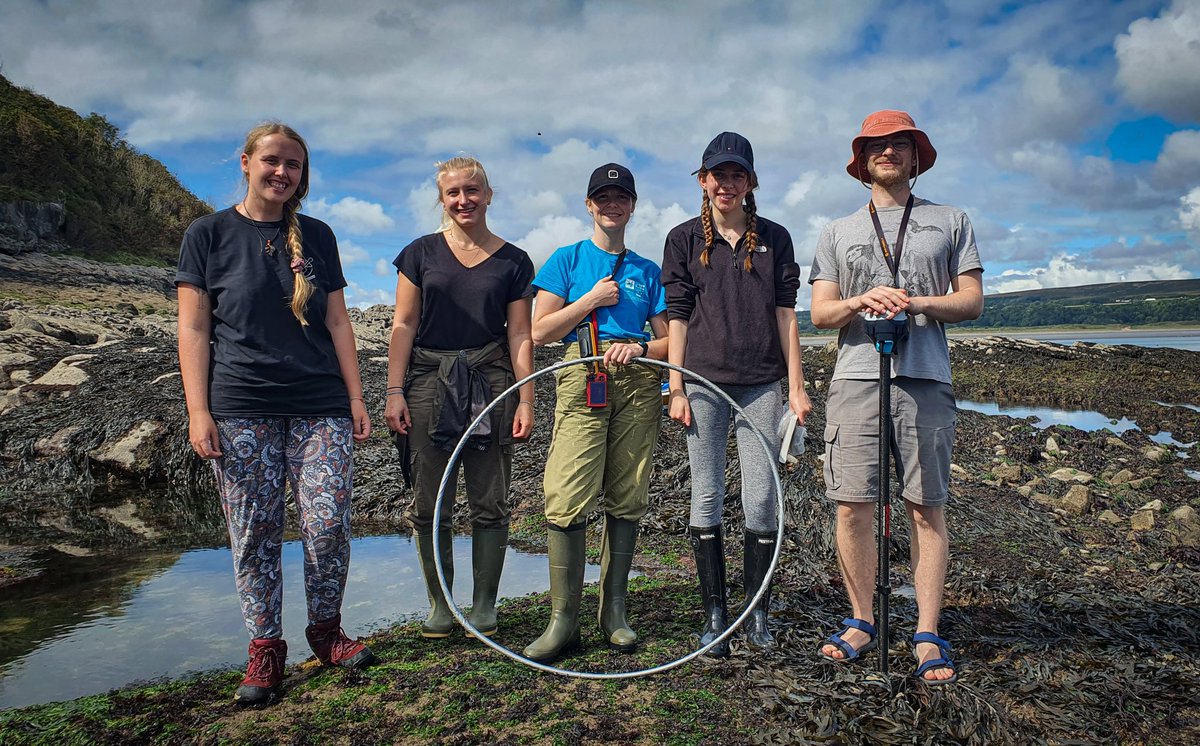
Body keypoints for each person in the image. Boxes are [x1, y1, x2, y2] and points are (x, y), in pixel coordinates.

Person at [177, 122, 376, 707]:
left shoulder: (318, 236)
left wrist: (356, 398)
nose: (282, 173)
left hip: (321, 406)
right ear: (245, 162)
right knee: (254, 531)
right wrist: (198, 410)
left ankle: (325, 631)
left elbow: (339, 322)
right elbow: (193, 327)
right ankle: (265, 646)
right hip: (241, 406)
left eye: (293, 165)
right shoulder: (207, 233)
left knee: (326, 521)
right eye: (272, 161)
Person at [809, 110, 984, 685]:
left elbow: (972, 302)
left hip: (926, 378)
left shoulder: (951, 220)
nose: (887, 152)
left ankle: (927, 632)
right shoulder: (837, 230)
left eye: (899, 144)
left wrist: (916, 303)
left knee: (925, 505)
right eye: (876, 145)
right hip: (856, 379)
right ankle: (862, 620)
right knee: (852, 506)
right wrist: (863, 301)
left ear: (915, 156)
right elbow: (820, 313)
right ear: (862, 160)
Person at [661, 132, 812, 657]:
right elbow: (677, 316)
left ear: (750, 182)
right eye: (717, 175)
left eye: (736, 175)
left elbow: (786, 315)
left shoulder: (775, 237)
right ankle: (715, 618)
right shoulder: (683, 239)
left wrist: (795, 387)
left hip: (763, 383)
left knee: (762, 497)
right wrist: (675, 384)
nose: (727, 184)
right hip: (701, 384)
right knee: (705, 494)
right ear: (703, 182)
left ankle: (757, 617)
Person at [522, 164, 669, 663]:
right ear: (589, 204)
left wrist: (643, 347)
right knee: (566, 491)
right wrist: (591, 299)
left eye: (621, 197)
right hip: (583, 373)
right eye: (602, 197)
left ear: (632, 205)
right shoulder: (566, 259)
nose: (612, 205)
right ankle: (563, 621)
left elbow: (672, 342)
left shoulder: (649, 272)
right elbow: (539, 332)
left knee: (628, 493)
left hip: (640, 381)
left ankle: (614, 612)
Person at [385, 156, 535, 641]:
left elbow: (520, 335)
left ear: (488, 194)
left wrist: (527, 398)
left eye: (472, 191)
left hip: (491, 379)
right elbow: (404, 324)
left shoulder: (514, 260)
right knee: (429, 504)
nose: (463, 200)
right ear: (441, 199)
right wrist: (393, 390)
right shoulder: (419, 253)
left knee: (490, 499)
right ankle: (441, 606)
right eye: (453, 193)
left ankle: (485, 605)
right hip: (428, 379)